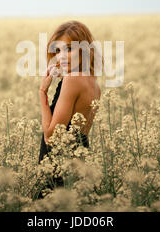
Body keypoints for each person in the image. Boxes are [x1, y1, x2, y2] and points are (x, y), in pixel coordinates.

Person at [34, 20, 102, 199]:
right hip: (79, 170)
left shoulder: (72, 80)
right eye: (58, 50)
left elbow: (50, 137)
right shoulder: (95, 85)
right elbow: (81, 135)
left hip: (58, 171)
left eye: (69, 49)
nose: (62, 56)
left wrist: (42, 92)